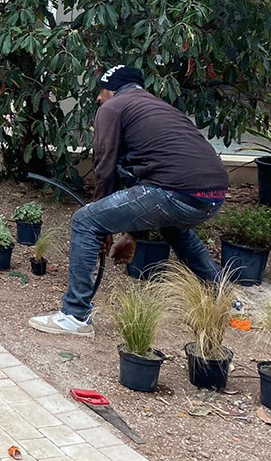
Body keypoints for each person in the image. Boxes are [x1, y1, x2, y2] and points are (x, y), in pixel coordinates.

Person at [29, 65, 228, 337]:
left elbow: (105, 165)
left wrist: (102, 221)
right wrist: (132, 234)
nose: (99, 98)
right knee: (174, 229)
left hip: (172, 191)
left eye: (101, 90)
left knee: (85, 221)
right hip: (213, 196)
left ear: (112, 90)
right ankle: (227, 300)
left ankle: (75, 316)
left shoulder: (114, 107)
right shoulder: (158, 107)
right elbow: (150, 171)